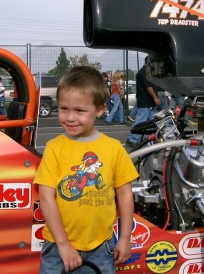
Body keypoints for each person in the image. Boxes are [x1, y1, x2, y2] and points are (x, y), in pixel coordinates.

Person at [33, 66, 138, 274]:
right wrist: (63, 244)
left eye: (79, 111)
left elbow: (125, 194)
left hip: (101, 247)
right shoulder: (54, 147)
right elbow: (46, 198)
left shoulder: (113, 148)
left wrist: (125, 238)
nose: (70, 117)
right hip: (57, 247)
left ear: (99, 110)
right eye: (64, 109)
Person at [126, 56, 161, 148]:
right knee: (140, 121)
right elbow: (148, 87)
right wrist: (155, 97)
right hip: (146, 102)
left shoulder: (148, 72)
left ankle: (154, 138)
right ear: (149, 62)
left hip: (149, 103)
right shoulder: (144, 72)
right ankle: (132, 139)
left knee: (152, 122)